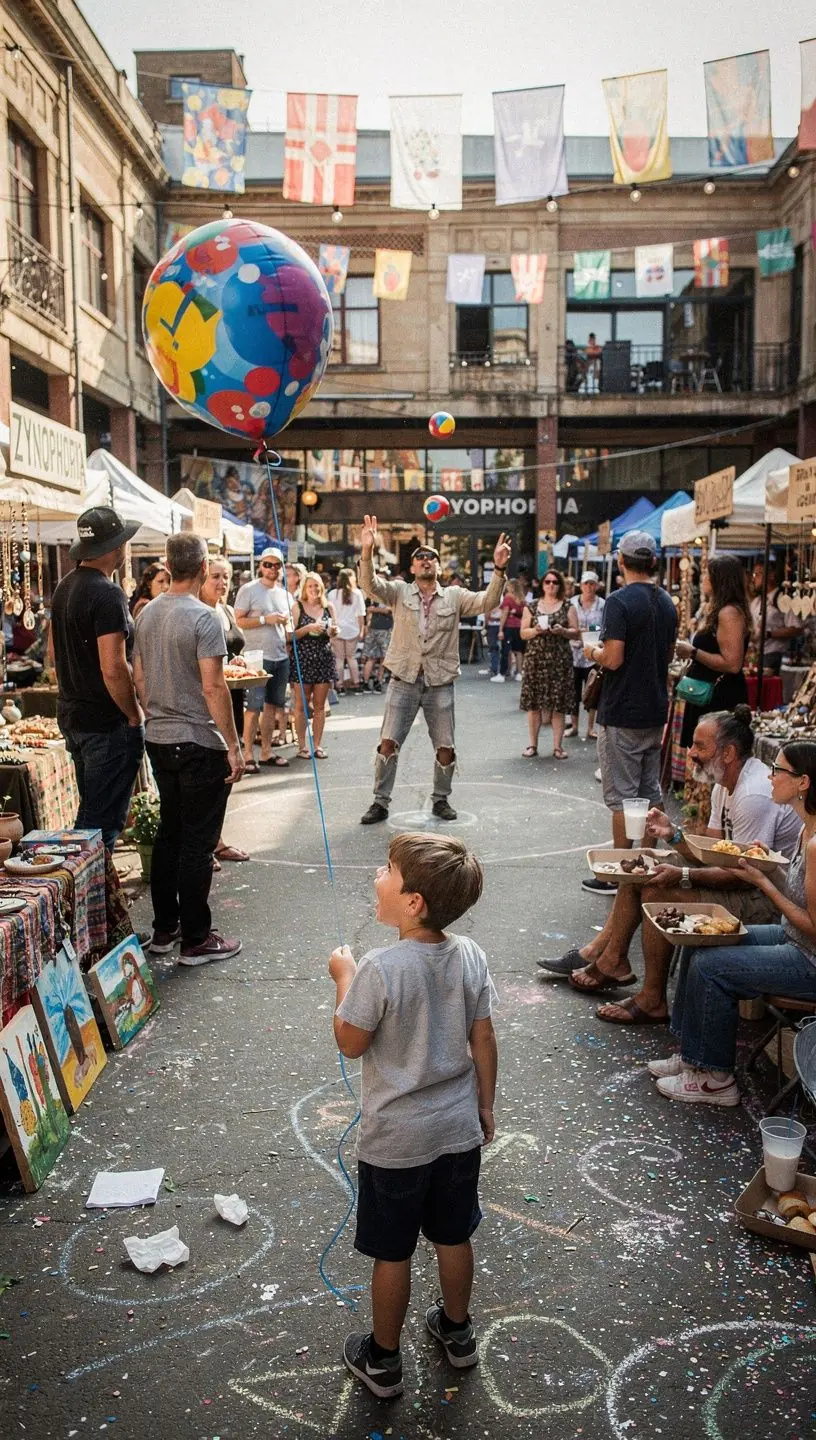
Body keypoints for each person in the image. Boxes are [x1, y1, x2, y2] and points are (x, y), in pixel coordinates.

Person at [328, 831, 496, 1398]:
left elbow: (350, 1042)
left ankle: (383, 1360)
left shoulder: (378, 968)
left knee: (392, 1250)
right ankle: (458, 1331)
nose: (377, 876)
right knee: (454, 1235)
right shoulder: (469, 954)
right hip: (457, 1131)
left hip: (396, 1142)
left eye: (387, 871)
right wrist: (485, 1104)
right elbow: (483, 1036)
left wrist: (343, 977)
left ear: (413, 902)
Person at [540, 707, 803, 1022]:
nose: (690, 753)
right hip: (745, 881)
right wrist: (673, 834)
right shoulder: (725, 784)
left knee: (657, 891)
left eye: (699, 746)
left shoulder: (752, 795)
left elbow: (742, 876)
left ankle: (652, 998)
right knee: (642, 867)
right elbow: (711, 853)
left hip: (765, 898)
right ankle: (612, 960)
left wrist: (682, 875)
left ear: (728, 753)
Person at [652, 740, 816, 1106]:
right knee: (699, 941)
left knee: (712, 967)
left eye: (779, 771)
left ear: (803, 782)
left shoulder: (815, 843)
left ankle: (715, 1079)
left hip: (808, 959)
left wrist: (762, 881)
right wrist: (767, 866)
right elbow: (797, 891)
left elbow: (813, 925)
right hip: (793, 939)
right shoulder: (806, 829)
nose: (771, 777)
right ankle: (692, 1055)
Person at [133, 534, 245, 966]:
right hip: (198, 740)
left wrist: (158, 711)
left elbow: (139, 678)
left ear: (168, 565)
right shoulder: (203, 617)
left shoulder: (147, 614)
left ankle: (166, 928)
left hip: (159, 737)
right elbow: (214, 687)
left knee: (171, 833)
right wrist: (234, 745)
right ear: (202, 568)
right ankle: (196, 939)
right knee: (197, 842)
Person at [358, 514, 510, 824]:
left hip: (439, 682)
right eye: (420, 558)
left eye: (431, 557)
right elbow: (368, 584)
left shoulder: (454, 595)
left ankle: (441, 799)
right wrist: (367, 550)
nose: (426, 560)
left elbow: (488, 601)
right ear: (413, 568)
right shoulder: (399, 591)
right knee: (388, 743)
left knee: (445, 747)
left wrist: (499, 569)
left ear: (439, 567)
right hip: (403, 679)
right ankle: (380, 802)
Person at [583, 530, 677, 894]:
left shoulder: (619, 601)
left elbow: (613, 658)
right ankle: (647, 864)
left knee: (622, 797)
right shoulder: (666, 601)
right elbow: (668, 654)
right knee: (649, 790)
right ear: (652, 562)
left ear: (621, 561)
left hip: (622, 709)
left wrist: (592, 652)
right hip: (654, 706)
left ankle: (618, 875)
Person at [50, 505, 144, 851]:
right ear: (115, 547)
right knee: (98, 826)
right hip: (105, 722)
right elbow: (113, 667)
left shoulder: (65, 586)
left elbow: (53, 652)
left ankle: (92, 881)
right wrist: (133, 714)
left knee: (91, 816)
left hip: (75, 715)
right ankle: (87, 884)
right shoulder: (107, 592)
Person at [199, 556, 251, 866]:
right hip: (211, 702)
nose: (222, 583)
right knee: (212, 776)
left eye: (226, 577)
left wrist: (238, 663)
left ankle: (215, 840)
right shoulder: (198, 611)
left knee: (227, 776)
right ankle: (205, 846)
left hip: (234, 698)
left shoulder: (227, 610)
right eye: (215, 576)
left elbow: (229, 653)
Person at [675, 554, 752, 748]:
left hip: (718, 698)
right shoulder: (718, 610)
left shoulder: (729, 613)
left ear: (720, 580)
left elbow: (732, 664)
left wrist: (693, 652)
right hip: (705, 695)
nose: (703, 580)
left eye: (707, 576)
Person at [233, 547, 291, 769]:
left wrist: (286, 625)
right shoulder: (249, 590)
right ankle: (248, 754)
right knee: (254, 706)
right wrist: (266, 619)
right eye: (267, 564)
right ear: (260, 566)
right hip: (256, 658)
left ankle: (266, 751)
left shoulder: (284, 594)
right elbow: (239, 620)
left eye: (276, 565)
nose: (272, 569)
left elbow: (288, 625)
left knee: (272, 706)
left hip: (280, 656)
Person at [518, 570, 579, 760]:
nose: (551, 585)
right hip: (536, 660)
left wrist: (563, 631)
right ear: (542, 584)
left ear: (560, 585)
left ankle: (557, 747)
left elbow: (576, 632)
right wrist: (536, 630)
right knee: (534, 704)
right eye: (547, 582)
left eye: (555, 582)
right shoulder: (531, 606)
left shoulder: (568, 606)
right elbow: (523, 633)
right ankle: (532, 745)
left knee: (558, 705)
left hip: (559, 661)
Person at [290, 572, 337, 759]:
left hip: (323, 659)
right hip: (303, 659)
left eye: (316, 585)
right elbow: (289, 636)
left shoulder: (328, 607)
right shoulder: (298, 606)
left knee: (319, 706)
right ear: (304, 588)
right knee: (301, 705)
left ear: (322, 587)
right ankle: (302, 746)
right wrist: (309, 628)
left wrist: (333, 631)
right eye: (310, 586)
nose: (313, 589)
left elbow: (334, 630)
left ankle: (317, 745)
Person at [568, 570, 605, 740]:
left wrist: (586, 630)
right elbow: (569, 625)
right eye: (586, 584)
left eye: (592, 584)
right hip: (574, 651)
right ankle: (574, 726)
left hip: (594, 652)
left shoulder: (603, 604)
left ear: (596, 586)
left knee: (592, 690)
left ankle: (590, 727)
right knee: (573, 691)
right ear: (581, 586)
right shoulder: (572, 603)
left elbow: (604, 626)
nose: (589, 587)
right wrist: (580, 631)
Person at [750, 563, 802, 676]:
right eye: (754, 575)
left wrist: (769, 634)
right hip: (756, 654)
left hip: (774, 654)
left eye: (757, 574)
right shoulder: (756, 602)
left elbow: (796, 629)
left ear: (771, 575)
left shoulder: (783, 600)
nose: (754, 579)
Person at [328, 568, 366, 693]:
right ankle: (356, 683)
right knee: (351, 657)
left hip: (337, 629)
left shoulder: (332, 594)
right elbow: (361, 614)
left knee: (339, 658)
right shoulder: (357, 593)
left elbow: (329, 612)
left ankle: (339, 685)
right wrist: (361, 629)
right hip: (352, 629)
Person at [362, 587, 394, 692]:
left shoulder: (375, 596)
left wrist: (375, 610)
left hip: (377, 628)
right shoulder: (388, 597)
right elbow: (370, 609)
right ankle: (376, 682)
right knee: (379, 658)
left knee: (375, 657)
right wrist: (382, 611)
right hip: (382, 629)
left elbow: (372, 609)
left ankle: (371, 682)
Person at [497, 579, 525, 681]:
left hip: (509, 626)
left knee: (506, 650)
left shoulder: (508, 598)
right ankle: (519, 673)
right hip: (519, 626)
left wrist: (500, 629)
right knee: (518, 651)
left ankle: (503, 673)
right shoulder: (521, 599)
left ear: (511, 587)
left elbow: (504, 614)